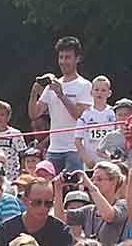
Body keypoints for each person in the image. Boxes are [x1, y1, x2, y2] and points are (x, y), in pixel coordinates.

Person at [28, 36, 92, 174]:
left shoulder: (85, 85)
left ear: (77, 59)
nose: (63, 61)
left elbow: (80, 116)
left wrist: (62, 96)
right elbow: (34, 114)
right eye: (61, 57)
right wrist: (34, 93)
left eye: (68, 57)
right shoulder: (53, 84)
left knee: (73, 189)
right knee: (50, 187)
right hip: (54, 149)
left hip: (75, 149)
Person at [56, 162, 132, 246]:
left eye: (99, 179)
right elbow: (60, 218)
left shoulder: (124, 205)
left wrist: (90, 185)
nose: (94, 183)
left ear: (114, 181)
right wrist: (58, 189)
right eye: (93, 179)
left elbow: (109, 215)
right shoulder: (89, 210)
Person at [0, 177, 73, 246]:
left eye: (48, 203)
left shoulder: (61, 232)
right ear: (25, 200)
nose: (43, 208)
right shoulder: (6, 230)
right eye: (36, 203)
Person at [75, 76, 115, 165]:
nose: (99, 93)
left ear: (109, 93)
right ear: (91, 92)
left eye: (103, 90)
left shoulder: (113, 113)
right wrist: (86, 159)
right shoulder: (85, 115)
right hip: (91, 163)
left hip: (110, 163)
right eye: (96, 90)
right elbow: (77, 140)